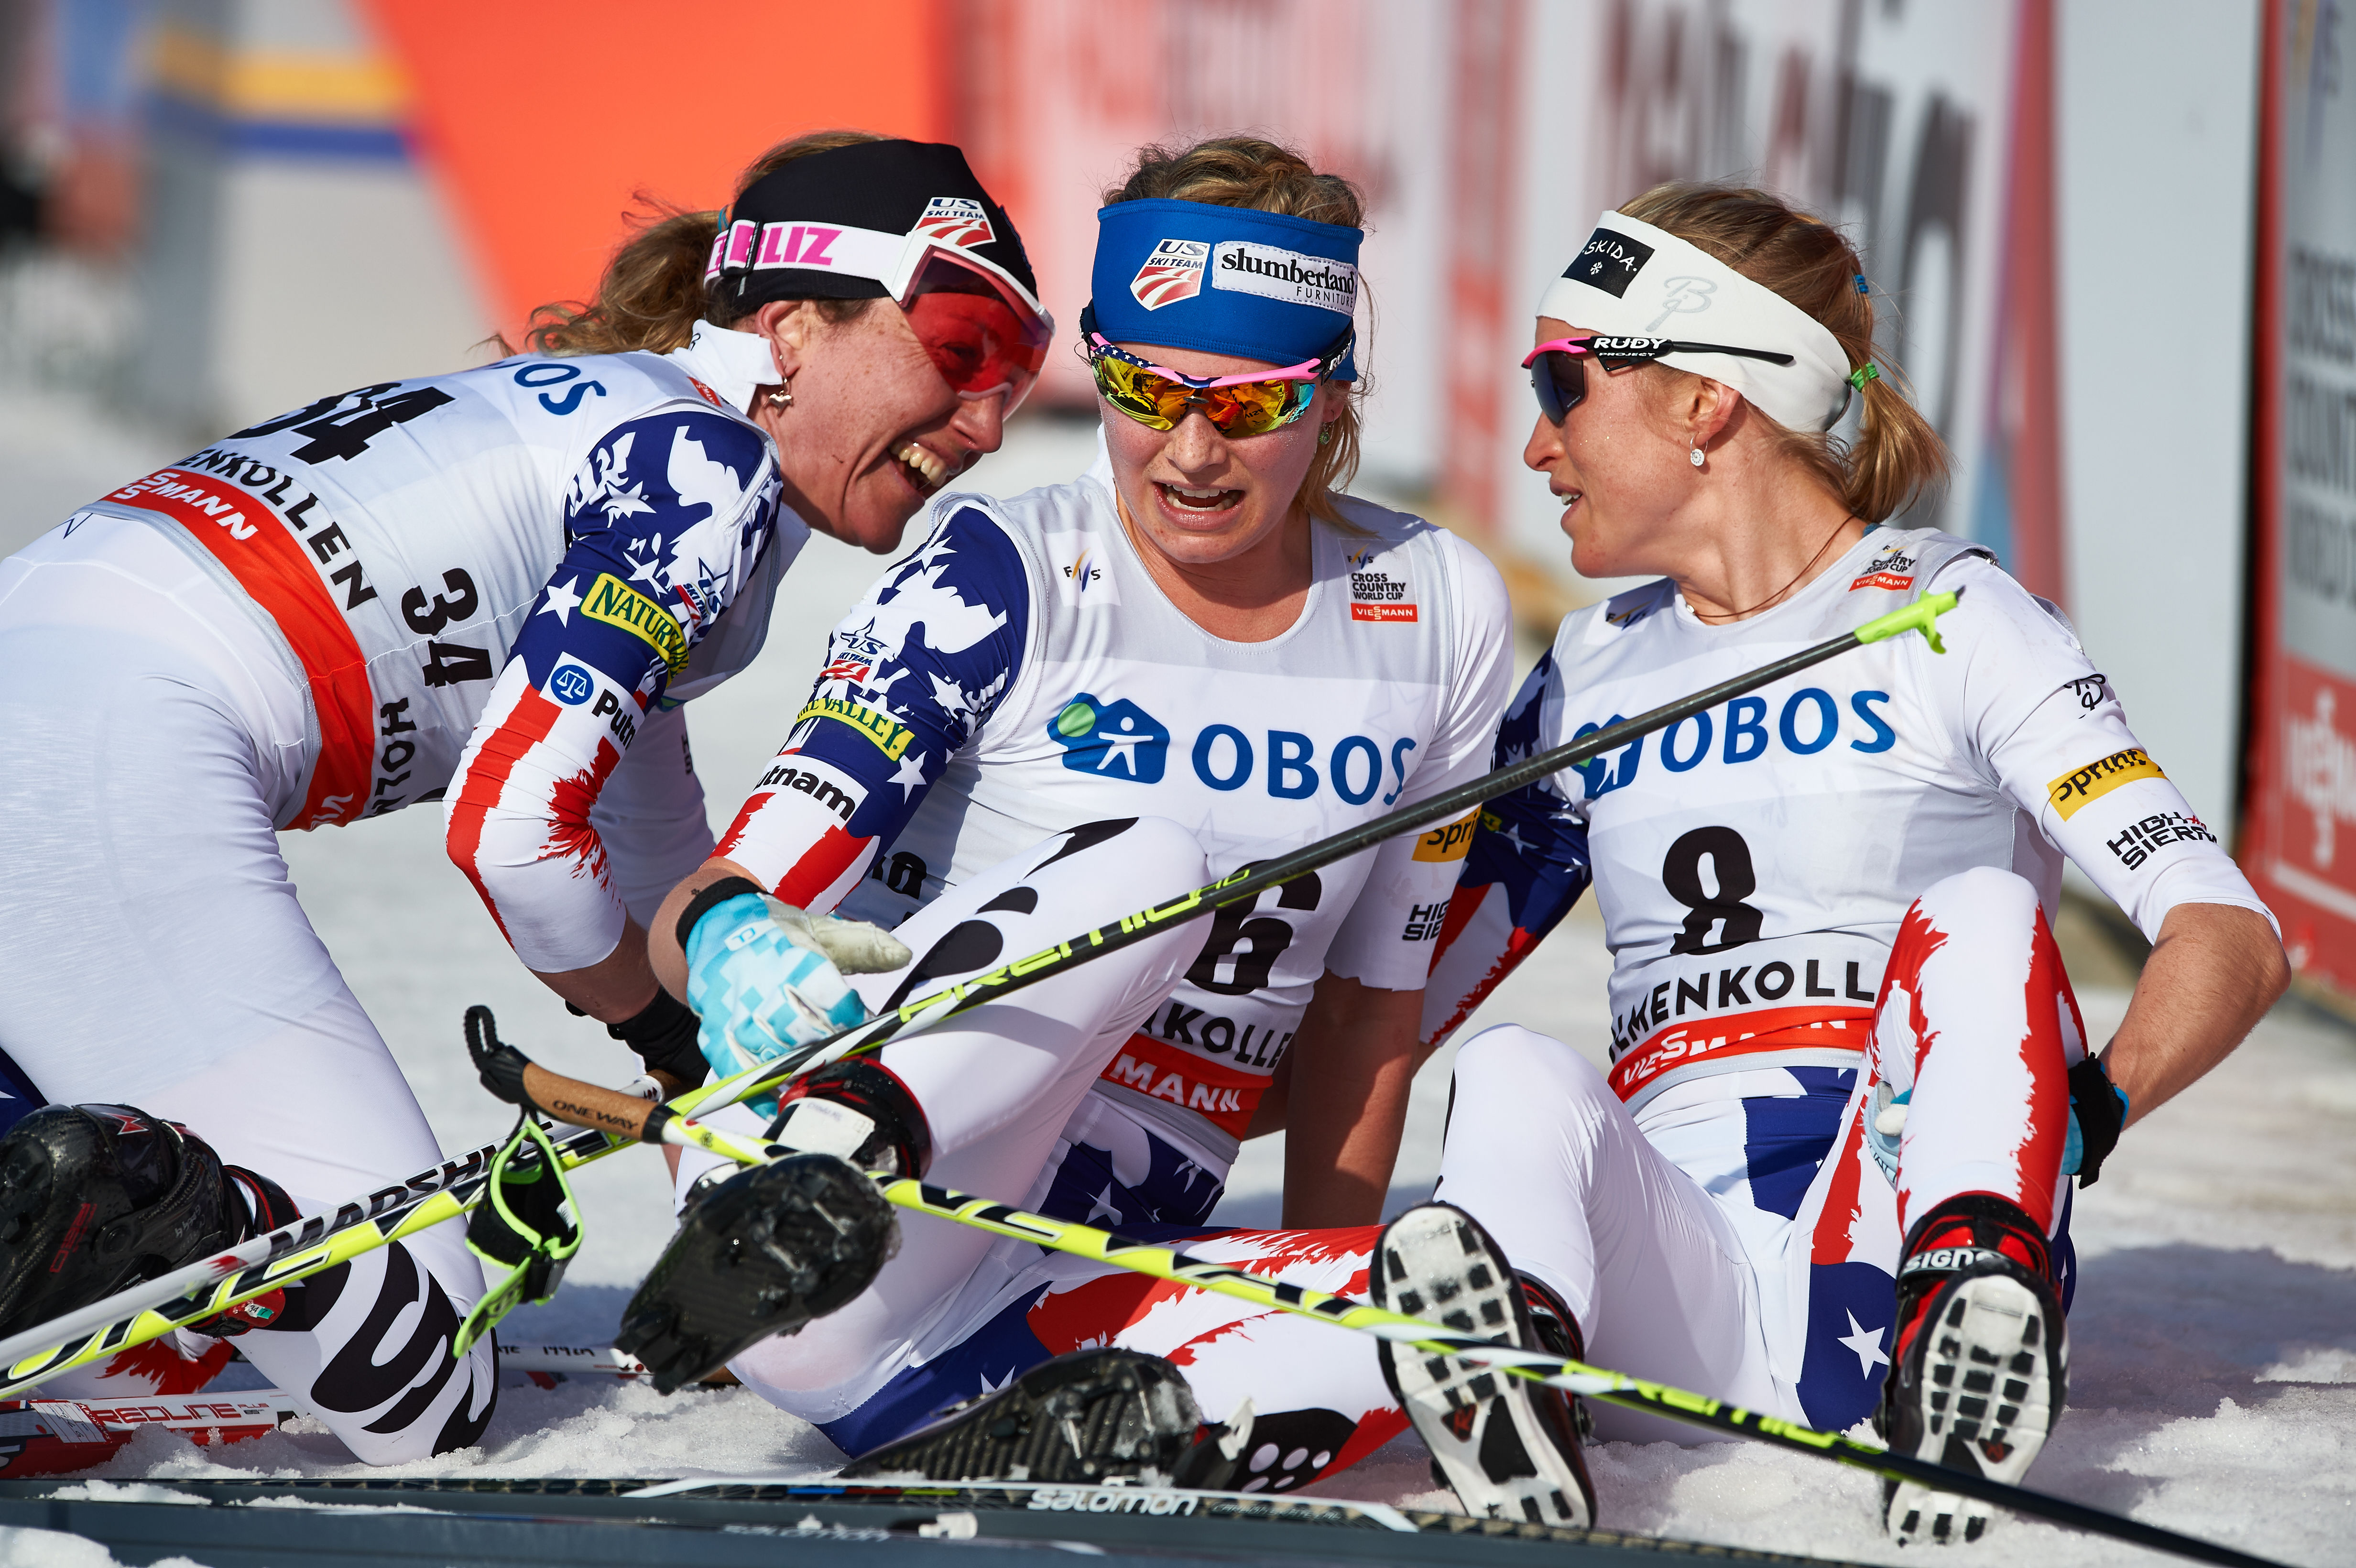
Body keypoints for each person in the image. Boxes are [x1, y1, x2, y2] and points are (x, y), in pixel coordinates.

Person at [0, 132, 1048, 1465]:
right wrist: (665, 1031)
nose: (990, 422)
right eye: (961, 350)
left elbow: (660, 864)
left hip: (53, 673)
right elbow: (516, 837)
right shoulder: (702, 472)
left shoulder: (622, 414)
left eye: (1019, 376)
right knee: (419, 1384)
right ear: (793, 328)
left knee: (127, 1301)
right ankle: (128, 1198)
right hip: (99, 753)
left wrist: (701, 1064)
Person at [620, 136, 1516, 1497]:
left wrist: (1325, 1278)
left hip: (1083, 1260)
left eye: (1256, 405)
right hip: (856, 1212)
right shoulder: (1013, 567)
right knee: (1156, 863)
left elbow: (1366, 1016)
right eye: (1147, 388)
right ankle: (822, 1177)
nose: (1195, 451)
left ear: (1335, 398)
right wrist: (741, 945)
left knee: (1431, 1307)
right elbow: (719, 897)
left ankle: (1032, 1412)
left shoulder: (1437, 605)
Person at [1409, 183, 2289, 1543]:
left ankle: (1971, 1305)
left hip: (1883, 1241)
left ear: (1706, 400)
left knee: (1985, 913)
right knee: (1510, 1071)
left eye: (1562, 385)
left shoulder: (1955, 614)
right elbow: (1395, 1001)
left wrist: (2084, 1119)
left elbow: (2228, 934)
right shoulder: (1591, 669)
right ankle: (1515, 1395)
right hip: (1671, 1298)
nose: (1535, 445)